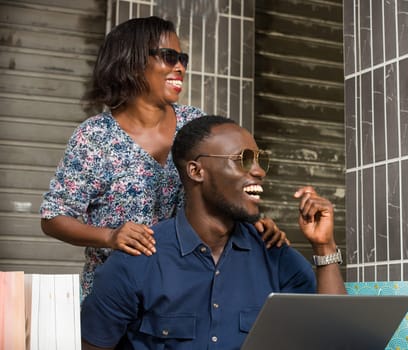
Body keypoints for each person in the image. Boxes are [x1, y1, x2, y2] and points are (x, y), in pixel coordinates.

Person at [39, 16, 287, 300]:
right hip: (114, 301)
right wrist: (109, 236)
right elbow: (53, 217)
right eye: (169, 57)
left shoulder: (195, 125)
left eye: (182, 58)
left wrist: (254, 223)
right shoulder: (94, 137)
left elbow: (223, 189)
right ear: (132, 60)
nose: (180, 67)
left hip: (184, 297)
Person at [81, 115, 346, 350]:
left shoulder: (275, 256)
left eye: (259, 160)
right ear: (197, 171)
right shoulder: (136, 261)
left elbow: (334, 339)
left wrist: (324, 246)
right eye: (243, 160)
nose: (259, 171)